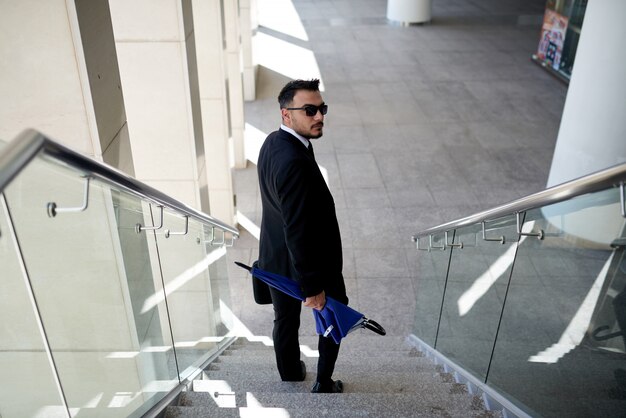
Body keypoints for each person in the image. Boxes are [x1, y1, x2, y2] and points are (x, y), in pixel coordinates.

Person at [257, 79, 347, 393]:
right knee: (334, 316)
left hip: (275, 260)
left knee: (284, 320)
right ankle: (324, 381)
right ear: (287, 115)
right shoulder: (294, 161)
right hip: (310, 264)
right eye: (309, 110)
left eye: (322, 109)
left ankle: (291, 374)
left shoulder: (272, 142)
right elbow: (297, 226)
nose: (319, 116)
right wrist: (313, 286)